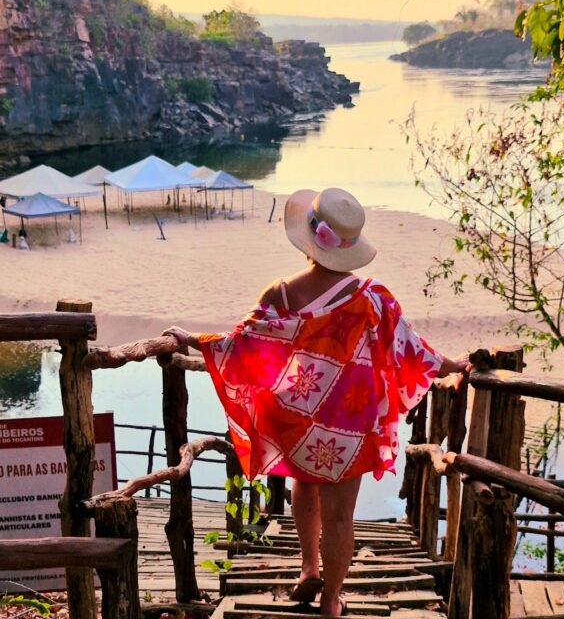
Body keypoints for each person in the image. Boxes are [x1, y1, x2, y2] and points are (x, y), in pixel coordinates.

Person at [164, 188, 470, 617]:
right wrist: (455, 364)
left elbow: (241, 345)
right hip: (350, 423)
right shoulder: (373, 298)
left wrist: (193, 339)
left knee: (303, 484)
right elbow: (413, 350)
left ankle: (309, 568)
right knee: (341, 517)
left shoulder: (282, 293)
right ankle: (331, 600)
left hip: (297, 419)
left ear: (308, 239)